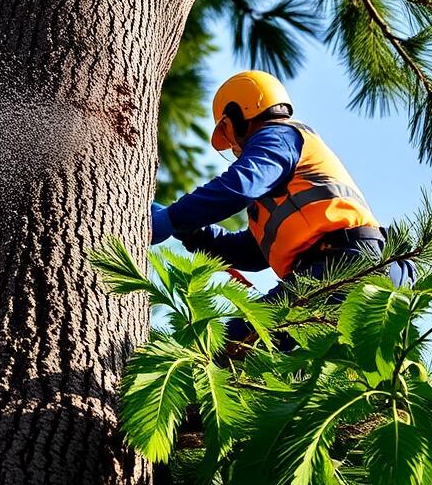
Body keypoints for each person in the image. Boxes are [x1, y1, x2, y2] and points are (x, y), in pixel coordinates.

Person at [149, 70, 413, 346]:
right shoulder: (282, 185)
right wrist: (192, 233)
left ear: (241, 112)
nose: (235, 148)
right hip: (345, 265)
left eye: (227, 130)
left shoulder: (278, 137)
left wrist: (172, 217)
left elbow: (238, 186)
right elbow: (253, 253)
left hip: (347, 262)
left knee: (234, 344)